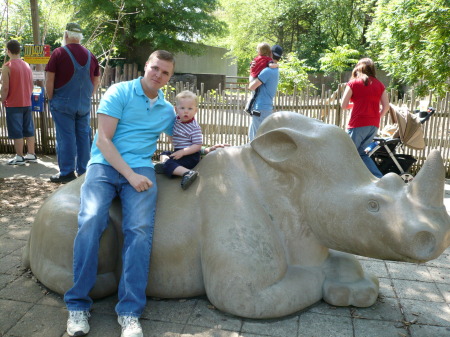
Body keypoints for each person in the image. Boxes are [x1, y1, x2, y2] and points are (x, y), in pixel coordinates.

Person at [63, 50, 176, 337]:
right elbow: (103, 139)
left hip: (141, 168)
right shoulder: (120, 92)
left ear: (169, 77)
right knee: (91, 220)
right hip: (105, 165)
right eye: (155, 68)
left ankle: (129, 312)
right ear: (145, 67)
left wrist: (205, 149)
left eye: (165, 72)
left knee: (139, 229)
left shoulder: (166, 111)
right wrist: (131, 175)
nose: (158, 75)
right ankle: (77, 304)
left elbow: (184, 137)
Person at [45, 22, 100, 183]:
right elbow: (96, 80)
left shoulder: (58, 53)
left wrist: (51, 98)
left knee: (65, 137)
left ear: (66, 35)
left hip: (62, 103)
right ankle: (84, 171)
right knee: (83, 136)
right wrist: (89, 96)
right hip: (83, 104)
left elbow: (50, 79)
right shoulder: (91, 55)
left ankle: (67, 172)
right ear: (79, 36)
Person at [340, 57, 390, 178]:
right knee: (361, 153)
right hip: (373, 125)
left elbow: (343, 105)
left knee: (348, 153)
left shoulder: (353, 83)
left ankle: (345, 179)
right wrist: (377, 117)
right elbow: (386, 106)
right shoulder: (380, 85)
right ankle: (379, 178)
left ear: (358, 68)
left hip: (358, 124)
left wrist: (355, 104)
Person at [154, 90, 202, 190]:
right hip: (179, 152)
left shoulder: (194, 127)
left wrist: (183, 152)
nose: (186, 111)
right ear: (176, 109)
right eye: (182, 108)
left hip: (190, 156)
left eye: (190, 108)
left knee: (170, 163)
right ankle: (164, 165)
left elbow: (197, 145)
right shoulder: (176, 120)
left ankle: (187, 173)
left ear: (195, 111)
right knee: (164, 153)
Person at [1, 39, 36, 165]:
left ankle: (19, 157)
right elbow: (31, 85)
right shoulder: (27, 65)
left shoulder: (7, 67)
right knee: (29, 129)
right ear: (19, 50)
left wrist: (2, 99)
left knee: (17, 131)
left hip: (13, 104)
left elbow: (5, 87)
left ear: (8, 51)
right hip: (27, 102)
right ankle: (31, 154)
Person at [247, 44, 283, 141]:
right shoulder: (274, 69)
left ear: (270, 53)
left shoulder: (267, 71)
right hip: (265, 108)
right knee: (261, 140)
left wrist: (252, 72)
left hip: (260, 108)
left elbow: (251, 86)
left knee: (254, 140)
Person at [244, 42, 278, 115]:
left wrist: (251, 69)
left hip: (253, 76)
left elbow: (252, 64)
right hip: (256, 77)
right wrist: (277, 65)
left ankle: (248, 107)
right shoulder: (268, 60)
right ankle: (248, 108)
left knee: (253, 94)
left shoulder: (257, 58)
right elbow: (271, 65)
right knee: (255, 93)